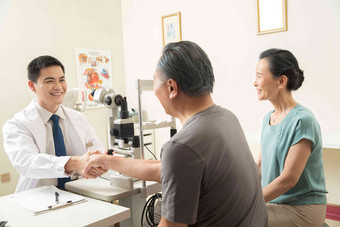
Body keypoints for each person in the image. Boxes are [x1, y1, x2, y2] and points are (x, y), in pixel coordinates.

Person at [82, 41, 268, 226]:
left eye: (155, 81)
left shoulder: (182, 146)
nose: (154, 90)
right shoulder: (227, 118)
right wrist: (109, 161)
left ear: (171, 88)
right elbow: (165, 169)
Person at [2, 55, 106, 192]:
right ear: (32, 86)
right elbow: (27, 163)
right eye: (49, 81)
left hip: (79, 189)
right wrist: (74, 163)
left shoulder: (79, 118)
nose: (58, 87)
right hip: (38, 194)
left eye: (62, 80)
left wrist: (101, 160)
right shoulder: (16, 125)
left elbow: (96, 152)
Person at [254, 48, 327, 227]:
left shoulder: (303, 120)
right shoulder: (267, 119)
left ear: (281, 81)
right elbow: (260, 166)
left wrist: (249, 201)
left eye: (259, 76)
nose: (254, 83)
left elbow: (289, 179)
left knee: (239, 218)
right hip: (276, 203)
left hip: (302, 209)